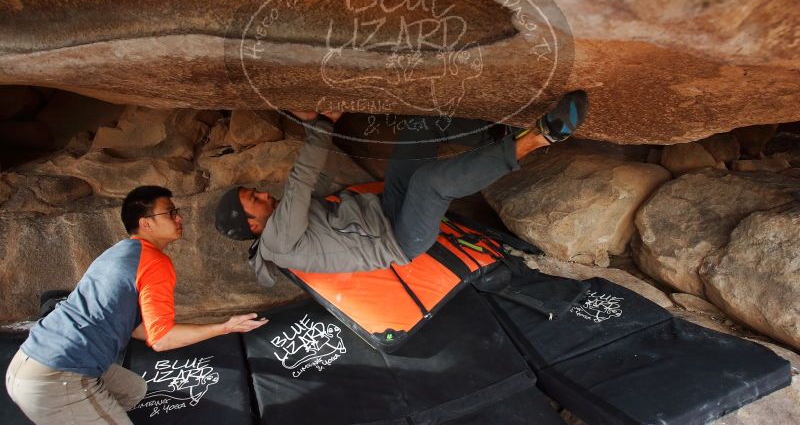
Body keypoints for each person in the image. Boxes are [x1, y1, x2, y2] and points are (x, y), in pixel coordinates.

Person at [215, 91, 588, 286]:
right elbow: (301, 182)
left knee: (415, 132)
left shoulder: (280, 228)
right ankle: (539, 138)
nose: (263, 194)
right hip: (400, 238)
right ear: (252, 226)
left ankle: (494, 132)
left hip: (388, 210)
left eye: (254, 190)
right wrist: (318, 125)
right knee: (430, 183)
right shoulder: (277, 243)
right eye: (254, 199)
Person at [5, 185, 268, 424]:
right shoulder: (154, 262)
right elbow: (162, 339)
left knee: (134, 391)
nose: (179, 218)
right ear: (146, 224)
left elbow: (137, 328)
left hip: (26, 362)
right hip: (58, 378)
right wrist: (225, 327)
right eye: (170, 212)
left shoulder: (120, 251)